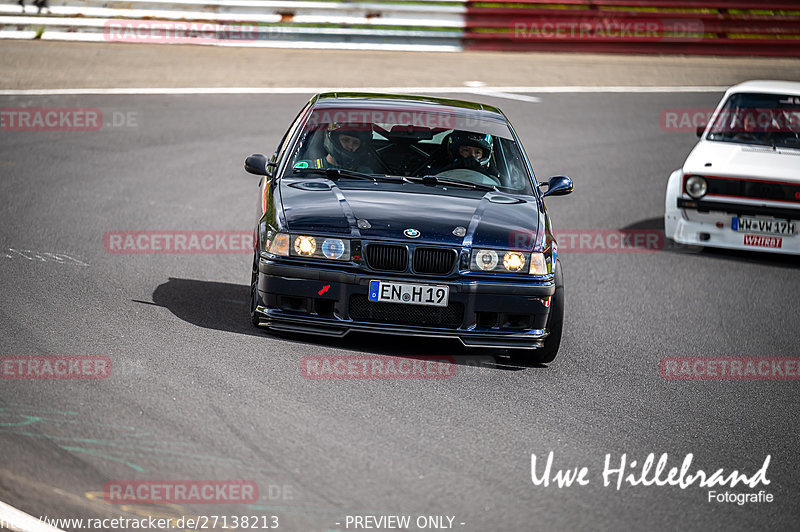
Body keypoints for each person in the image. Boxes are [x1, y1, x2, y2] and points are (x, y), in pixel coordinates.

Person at [293, 123, 373, 173]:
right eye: (345, 140)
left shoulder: (365, 174)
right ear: (333, 140)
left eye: (355, 143)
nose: (350, 146)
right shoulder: (306, 169)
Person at [428, 131, 498, 178]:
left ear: (484, 156)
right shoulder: (434, 172)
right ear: (455, 151)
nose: (472, 156)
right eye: (466, 150)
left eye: (477, 153)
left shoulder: (493, 180)